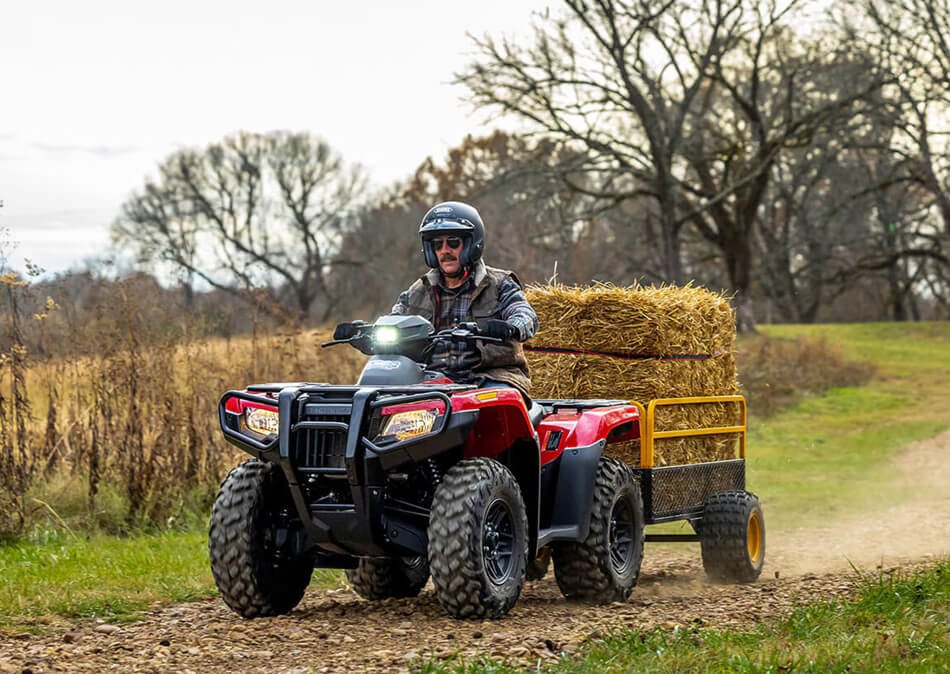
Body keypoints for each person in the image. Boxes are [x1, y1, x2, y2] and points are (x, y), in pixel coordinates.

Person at [392, 201, 538, 398]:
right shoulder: (418, 291)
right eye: (437, 244)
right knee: (382, 401)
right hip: (431, 381)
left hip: (490, 378)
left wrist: (511, 326)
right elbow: (393, 320)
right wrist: (365, 333)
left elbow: (525, 314)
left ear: (472, 244)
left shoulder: (500, 284)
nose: (445, 250)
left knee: (493, 407)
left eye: (453, 242)